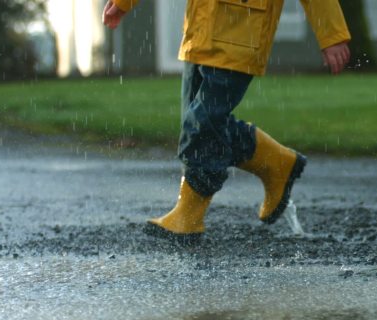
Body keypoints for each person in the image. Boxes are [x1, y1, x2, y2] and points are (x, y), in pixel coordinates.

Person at [103, 0, 351, 244]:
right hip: (199, 35)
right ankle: (276, 163)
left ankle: (189, 216)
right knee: (202, 125)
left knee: (202, 124)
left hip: (241, 37)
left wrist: (332, 35)